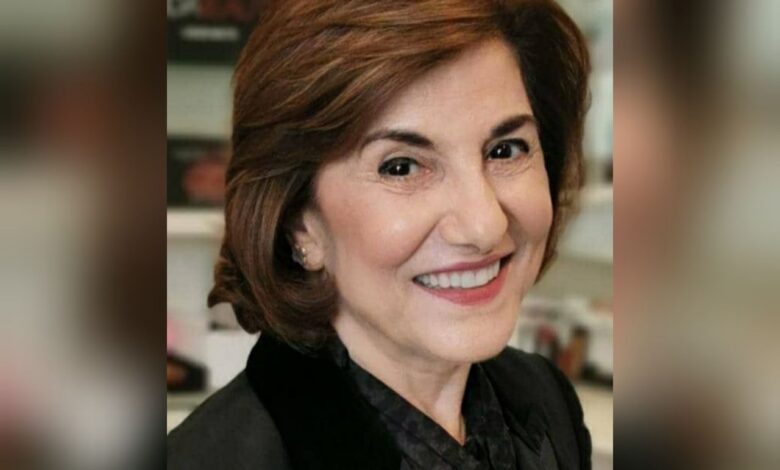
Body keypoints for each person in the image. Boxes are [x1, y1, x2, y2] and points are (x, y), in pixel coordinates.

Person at [168, 0, 591, 468]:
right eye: (401, 167)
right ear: (297, 221)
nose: (485, 224)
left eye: (506, 150)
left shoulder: (546, 399)